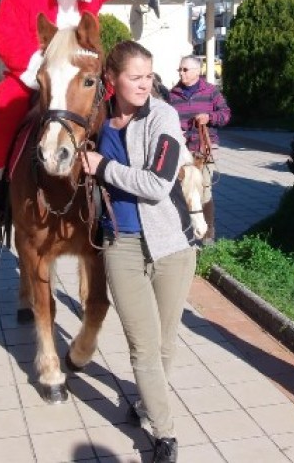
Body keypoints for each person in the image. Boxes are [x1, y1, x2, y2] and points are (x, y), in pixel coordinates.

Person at [0, 0, 179, 246]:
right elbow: (9, 39)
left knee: (119, 116)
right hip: (38, 75)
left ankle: (125, 195)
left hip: (84, 77)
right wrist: (44, 73)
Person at [83, 41, 197, 463]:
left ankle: (147, 405)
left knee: (166, 345)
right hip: (121, 245)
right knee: (144, 348)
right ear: (112, 80)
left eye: (149, 76)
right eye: (136, 77)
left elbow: (157, 184)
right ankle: (164, 434)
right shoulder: (97, 119)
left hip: (171, 246)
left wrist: (104, 168)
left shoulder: (163, 116)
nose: (145, 84)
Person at [168, 54, 231, 245]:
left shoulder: (211, 92)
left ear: (197, 71)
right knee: (184, 192)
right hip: (183, 151)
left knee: (204, 192)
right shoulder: (172, 94)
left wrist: (209, 117)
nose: (181, 73)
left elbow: (226, 114)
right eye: (180, 69)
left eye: (185, 69)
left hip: (204, 150)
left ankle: (208, 234)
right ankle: (187, 231)